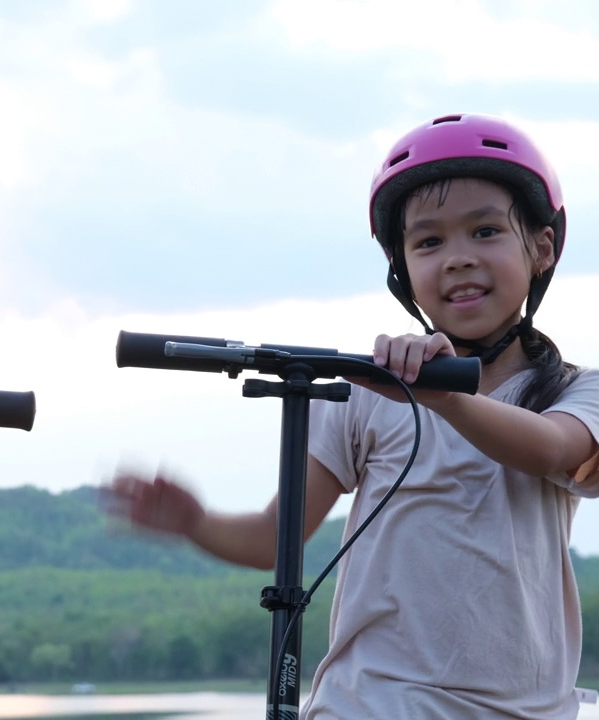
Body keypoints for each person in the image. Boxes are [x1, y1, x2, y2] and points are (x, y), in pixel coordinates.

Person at [107, 114, 599, 718]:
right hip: (371, 702)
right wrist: (196, 521)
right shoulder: (371, 392)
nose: (457, 259)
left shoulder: (575, 391)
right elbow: (273, 540)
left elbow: (552, 449)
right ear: (403, 272)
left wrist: (442, 397)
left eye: (486, 231)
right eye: (428, 242)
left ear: (542, 248)